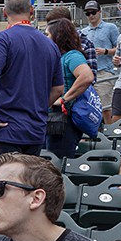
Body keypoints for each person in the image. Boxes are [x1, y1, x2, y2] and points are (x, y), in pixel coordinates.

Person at [0, 0, 63, 175]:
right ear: (31, 11)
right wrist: (37, 107)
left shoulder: (3, 38)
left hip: (5, 130)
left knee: (2, 186)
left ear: (4, 12)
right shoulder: (50, 44)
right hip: (35, 131)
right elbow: (58, 89)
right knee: (26, 186)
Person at [45, 19, 94, 158]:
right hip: (52, 120)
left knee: (58, 162)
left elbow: (87, 76)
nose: (45, 38)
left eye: (47, 34)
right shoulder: (57, 57)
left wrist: (63, 99)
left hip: (64, 121)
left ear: (58, 36)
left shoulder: (72, 56)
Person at [80, 0, 119, 123]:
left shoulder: (110, 28)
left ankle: (110, 131)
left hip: (104, 72)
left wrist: (105, 51)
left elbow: (120, 48)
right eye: (88, 13)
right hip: (87, 74)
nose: (91, 15)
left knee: (105, 108)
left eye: (93, 12)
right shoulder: (83, 32)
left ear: (99, 12)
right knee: (88, 108)